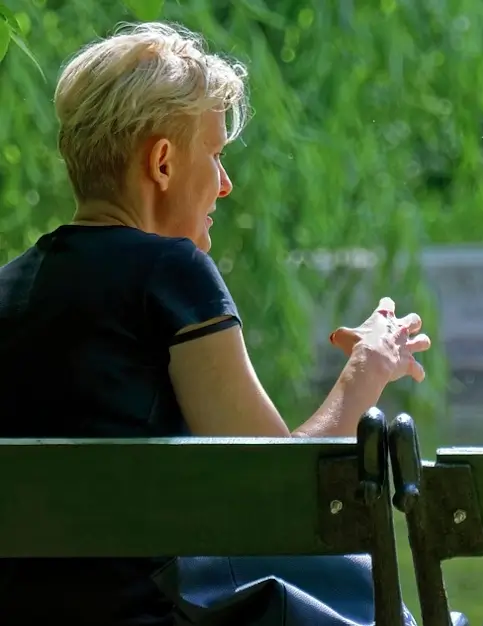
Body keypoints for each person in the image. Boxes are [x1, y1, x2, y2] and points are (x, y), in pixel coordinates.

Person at [0, 21, 430, 625]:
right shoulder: (171, 273)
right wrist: (366, 370)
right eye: (217, 154)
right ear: (164, 162)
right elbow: (276, 498)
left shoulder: (8, 289)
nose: (225, 186)